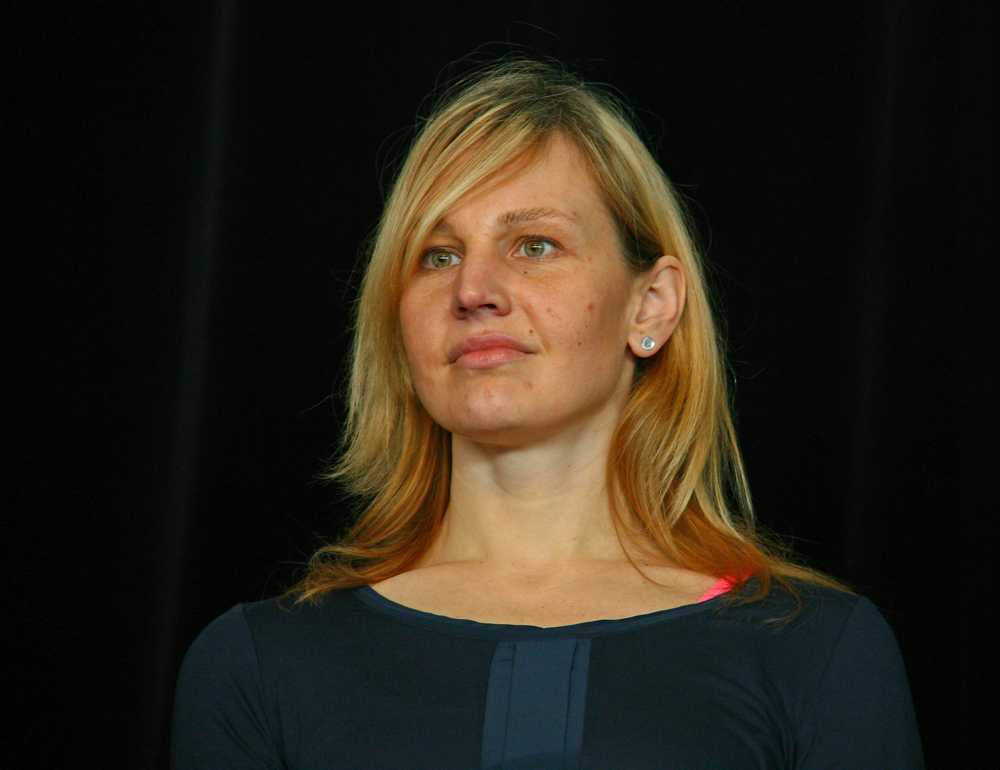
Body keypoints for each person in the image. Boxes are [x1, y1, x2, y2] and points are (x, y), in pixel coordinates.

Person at [171, 60, 924, 769]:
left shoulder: (813, 651)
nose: (473, 290)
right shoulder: (258, 662)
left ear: (650, 306)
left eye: (534, 245)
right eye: (437, 255)